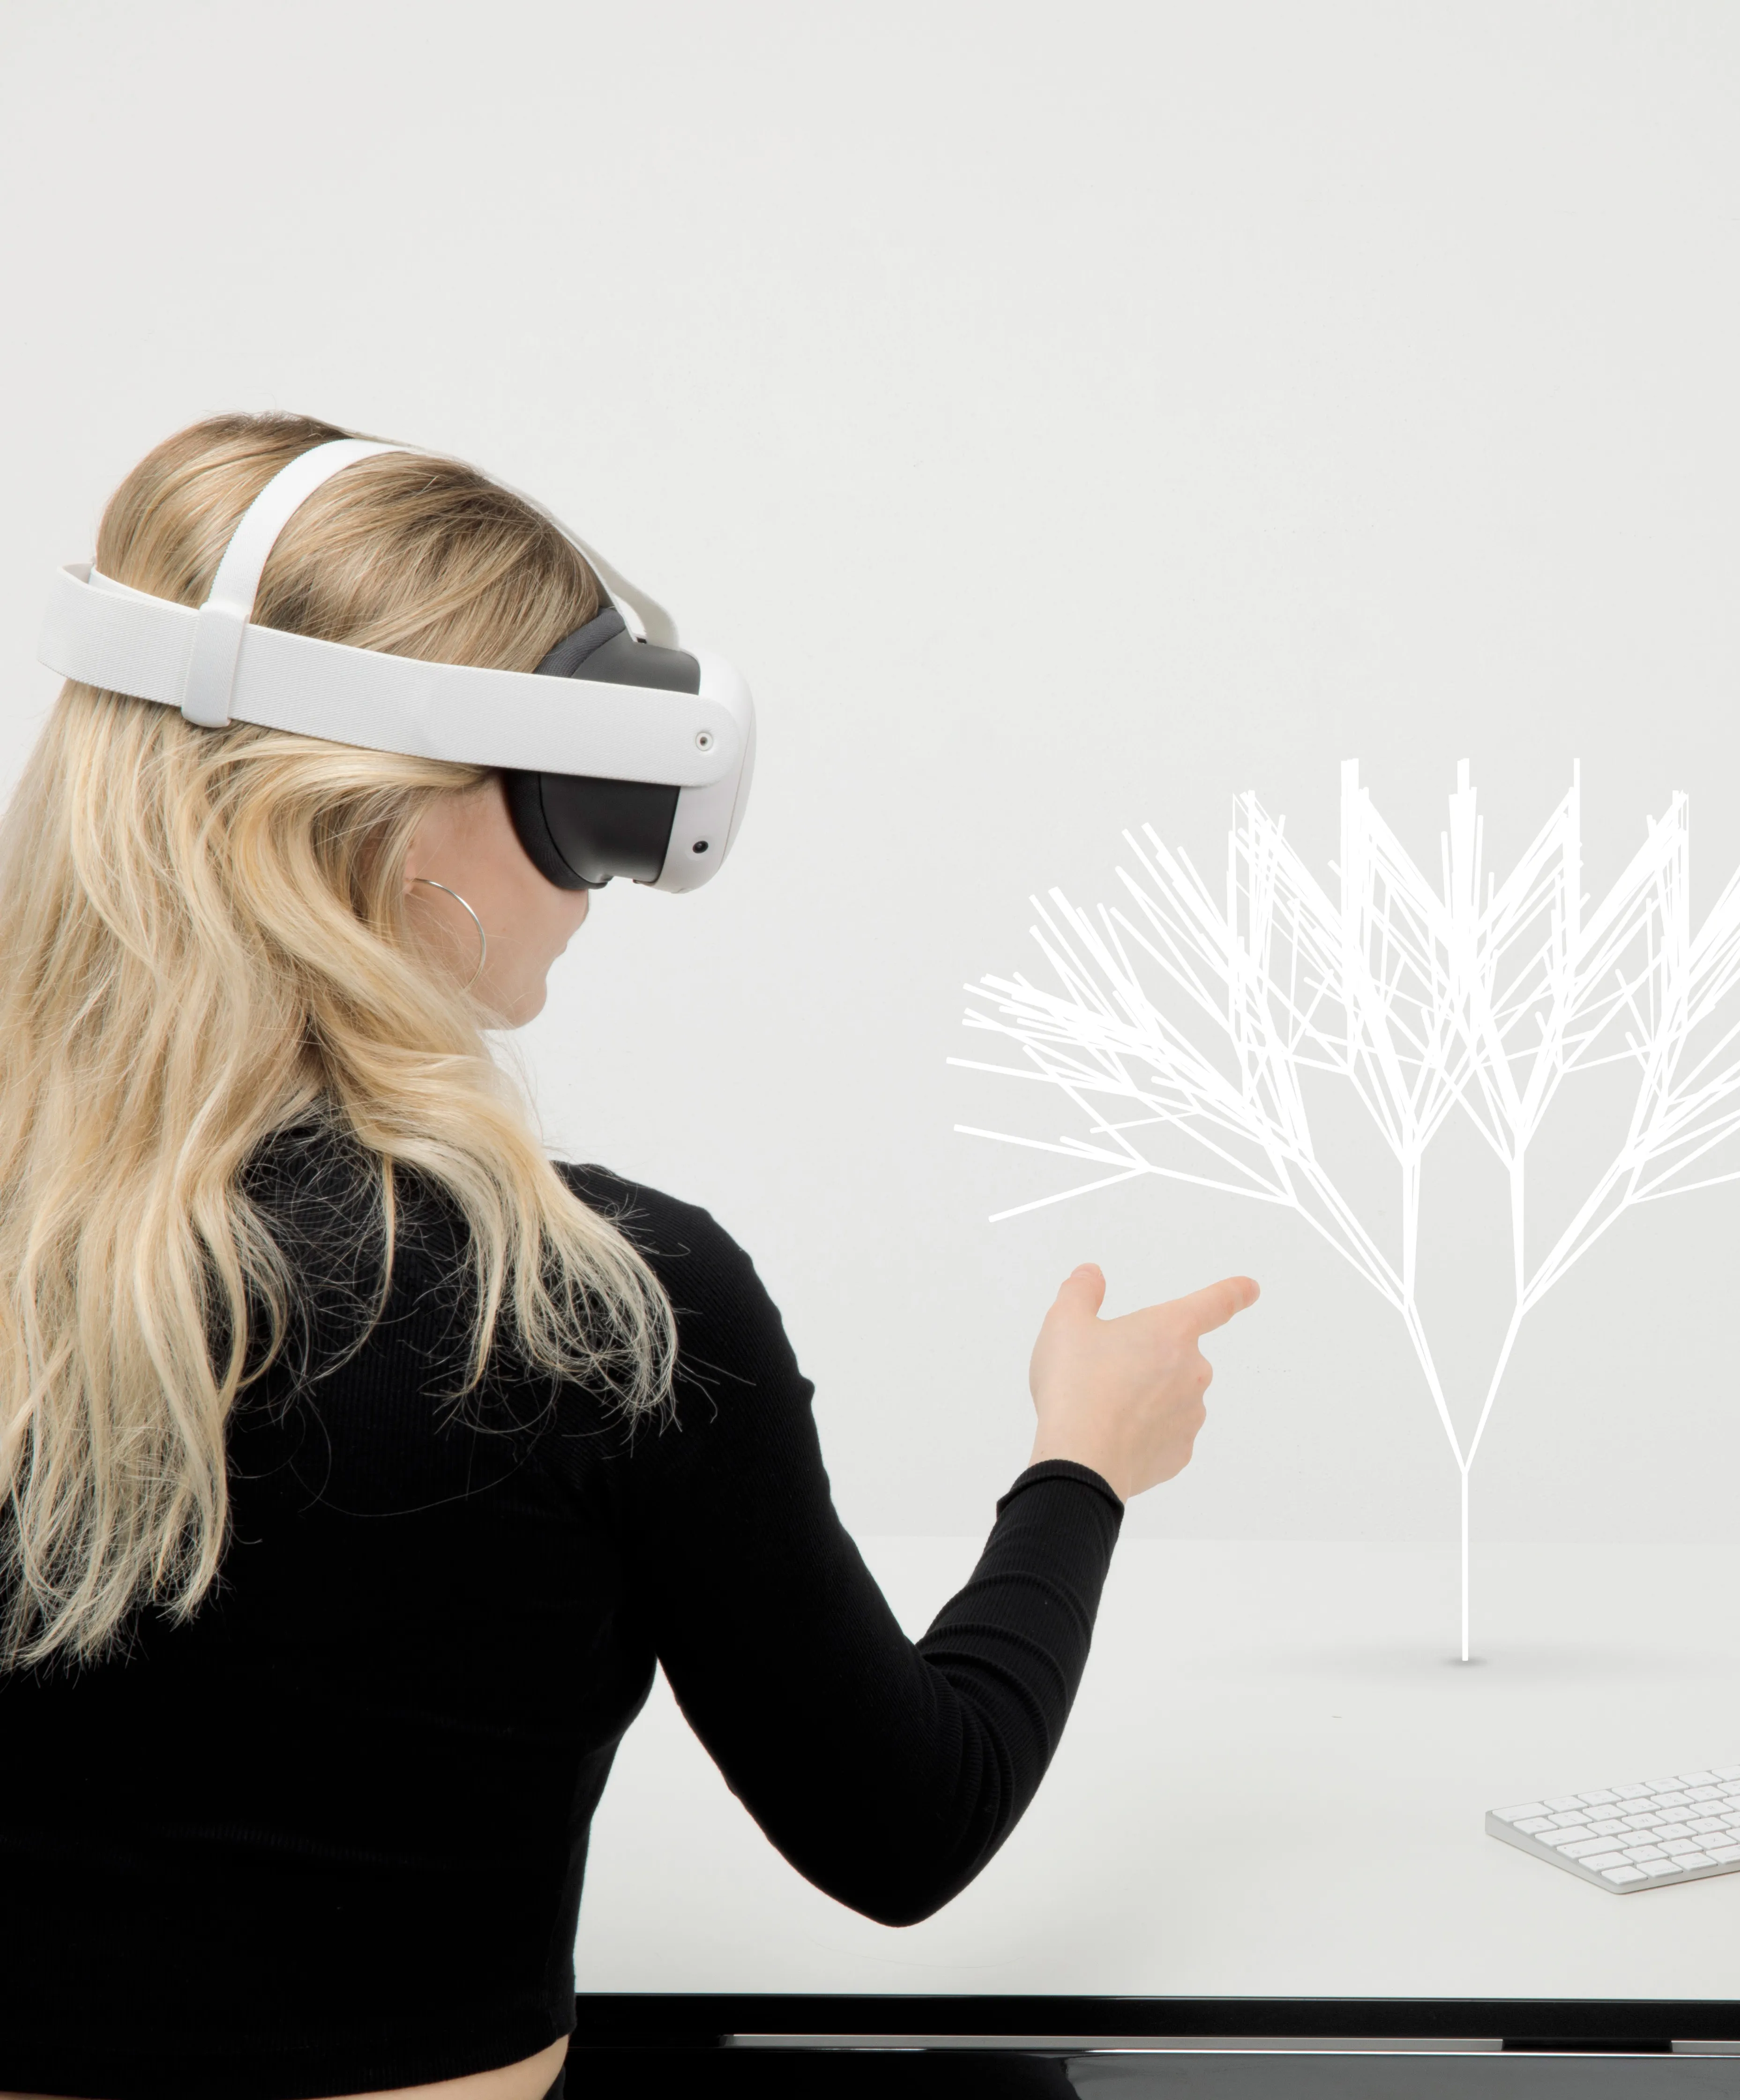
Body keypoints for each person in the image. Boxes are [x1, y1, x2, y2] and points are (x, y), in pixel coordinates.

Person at [0, 415, 1257, 2100]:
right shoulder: (595, 1313)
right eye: (573, 807)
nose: (602, 879)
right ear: (394, 821)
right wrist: (1081, 1467)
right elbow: (907, 1829)